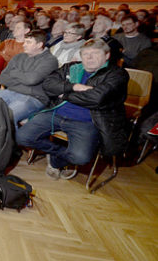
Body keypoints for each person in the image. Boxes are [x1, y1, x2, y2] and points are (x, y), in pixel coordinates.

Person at [16, 39, 129, 180]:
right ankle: (59, 152)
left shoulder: (117, 74)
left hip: (87, 121)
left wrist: (65, 94)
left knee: (80, 157)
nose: (89, 58)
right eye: (86, 54)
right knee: (22, 137)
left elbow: (96, 98)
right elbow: (48, 84)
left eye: (95, 53)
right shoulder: (71, 67)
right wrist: (74, 87)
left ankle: (57, 161)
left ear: (106, 56)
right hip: (56, 113)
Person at [0, 29, 58, 126]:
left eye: (28, 42)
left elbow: (31, 80)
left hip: (34, 98)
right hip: (11, 92)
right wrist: (24, 79)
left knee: (7, 115)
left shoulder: (50, 60)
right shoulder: (19, 57)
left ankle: (4, 141)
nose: (24, 45)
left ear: (39, 45)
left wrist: (14, 73)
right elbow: (3, 78)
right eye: (25, 42)